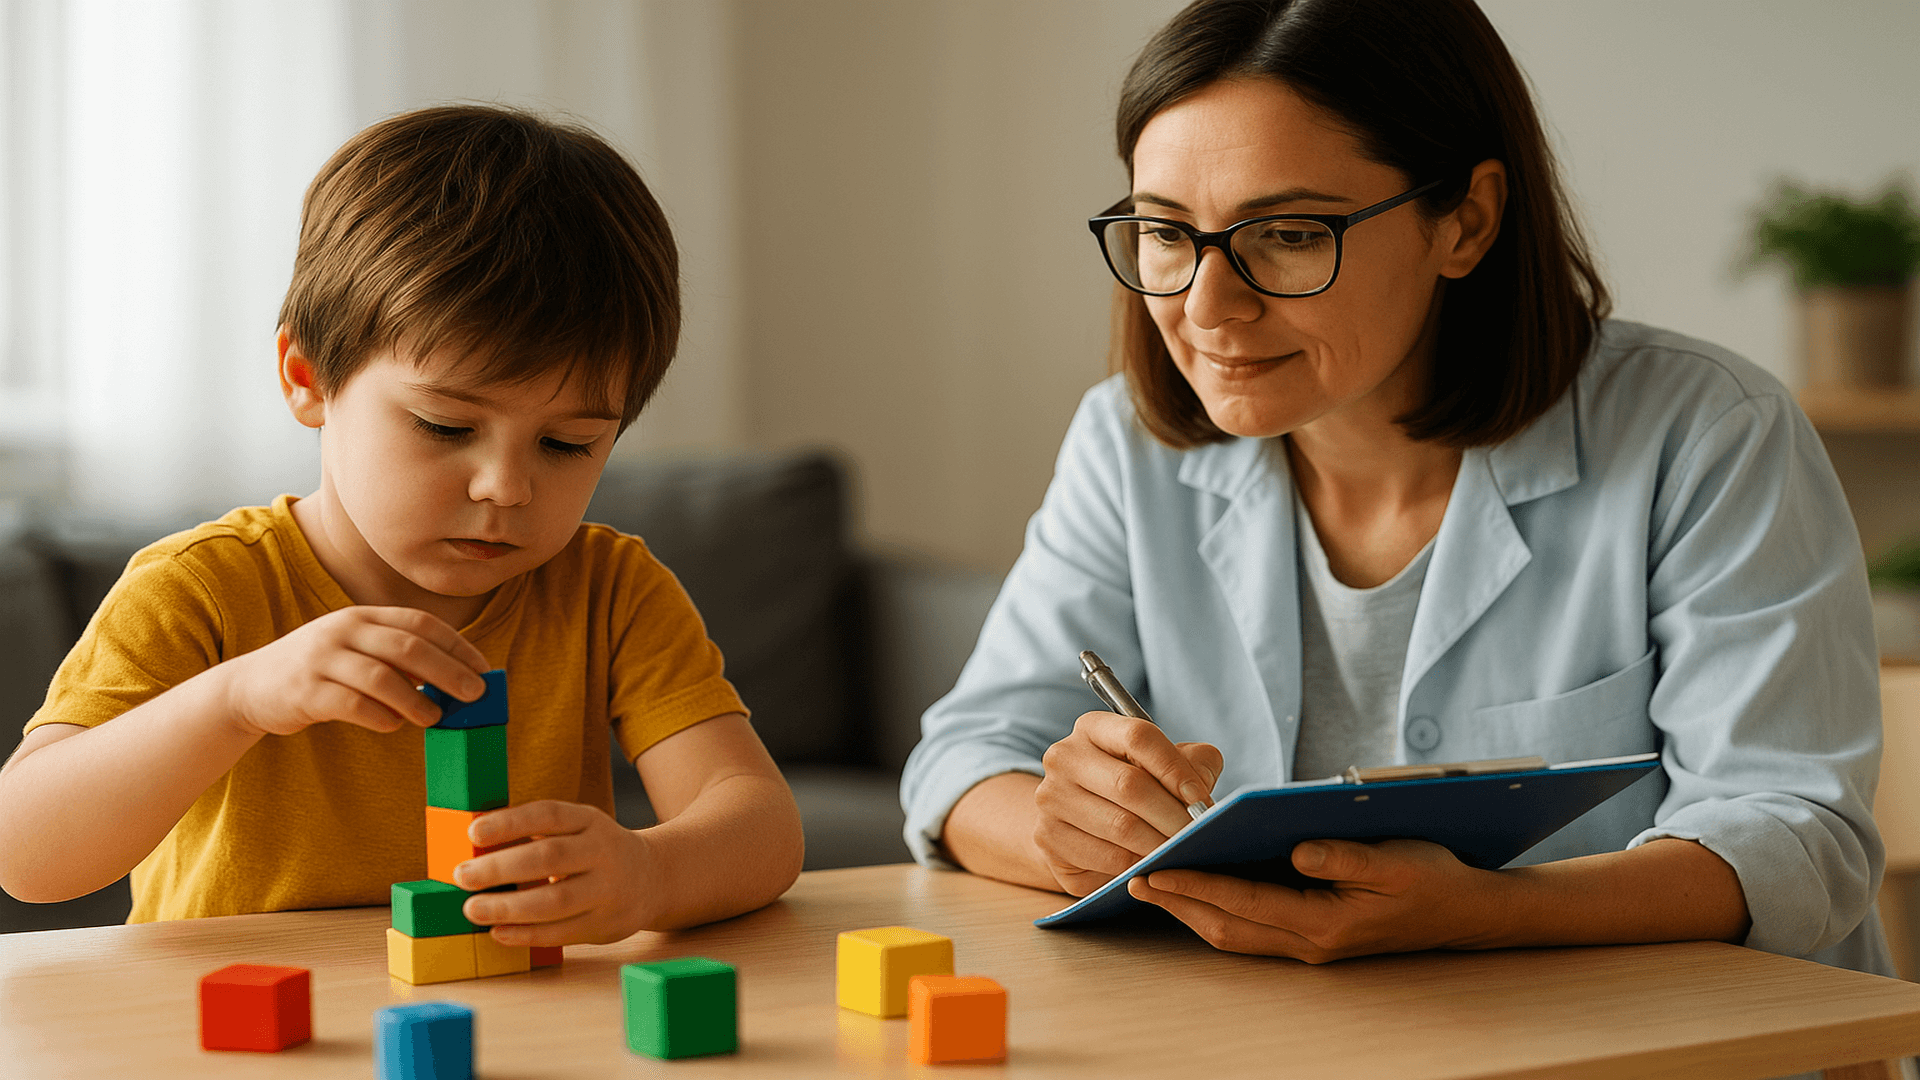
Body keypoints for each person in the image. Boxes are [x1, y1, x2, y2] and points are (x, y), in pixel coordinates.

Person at [902, 0, 1891, 977]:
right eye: (1166, 232)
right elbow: (964, 758)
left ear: (1466, 220)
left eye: (1286, 233)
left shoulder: (1709, 433)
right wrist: (1078, 841)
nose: (1208, 306)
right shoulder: (1125, 445)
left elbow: (1797, 839)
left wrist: (1487, 913)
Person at [0, 105, 804, 943]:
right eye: (446, 427)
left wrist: (651, 876)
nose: (506, 486)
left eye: (567, 444)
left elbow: (761, 829)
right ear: (308, 377)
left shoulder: (609, 592)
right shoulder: (200, 589)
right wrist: (236, 700)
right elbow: (26, 857)